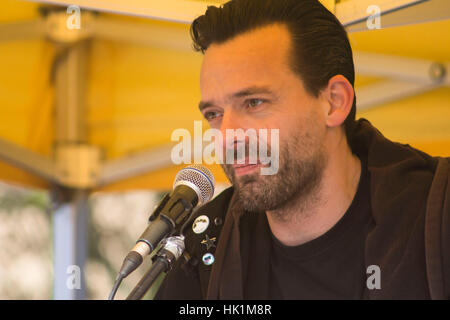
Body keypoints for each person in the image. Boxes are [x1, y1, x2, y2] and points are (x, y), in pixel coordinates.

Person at [155, 0, 450, 299]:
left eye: (254, 103)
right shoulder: (204, 249)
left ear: (333, 102)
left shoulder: (435, 219)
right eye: (214, 114)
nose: (228, 136)